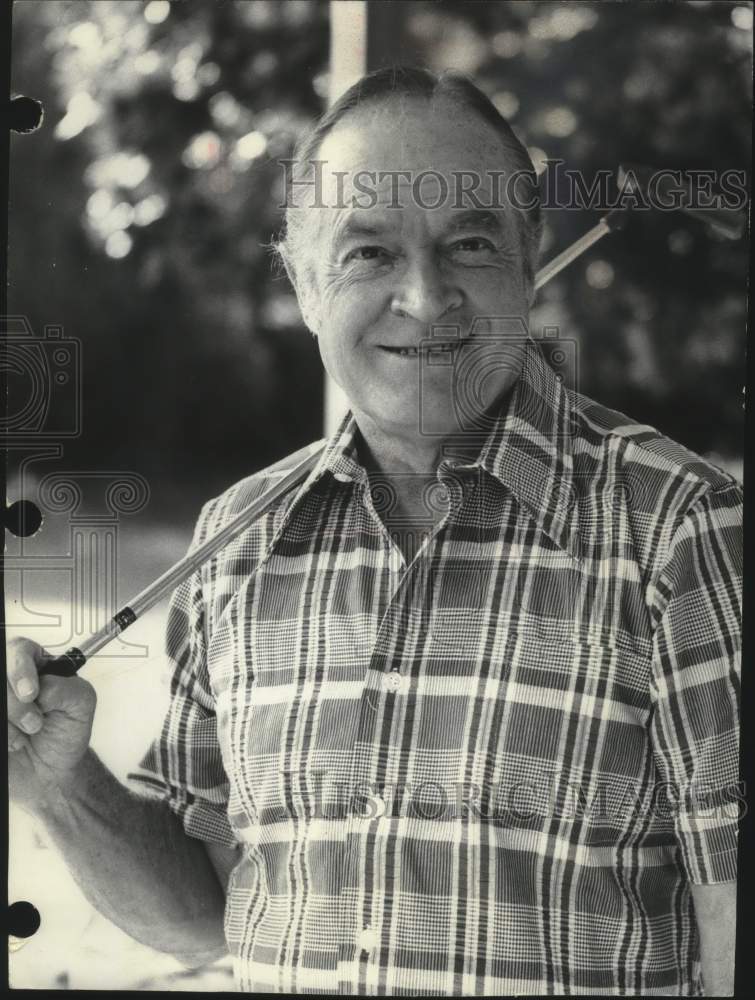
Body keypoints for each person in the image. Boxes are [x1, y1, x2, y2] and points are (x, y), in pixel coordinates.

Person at [7, 67, 741, 996]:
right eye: (368, 253)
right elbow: (203, 914)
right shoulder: (233, 540)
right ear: (305, 285)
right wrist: (61, 784)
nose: (426, 297)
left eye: (469, 243)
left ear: (529, 260)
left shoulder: (681, 530)